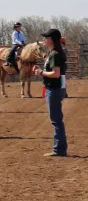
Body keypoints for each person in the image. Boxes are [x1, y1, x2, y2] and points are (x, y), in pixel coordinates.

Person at [33, 29, 67, 157]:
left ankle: (59, 149)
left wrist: (41, 73)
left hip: (54, 89)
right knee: (57, 119)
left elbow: (56, 74)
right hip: (56, 88)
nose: (44, 40)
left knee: (56, 120)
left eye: (46, 38)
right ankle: (60, 148)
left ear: (52, 40)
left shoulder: (54, 54)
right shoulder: (54, 53)